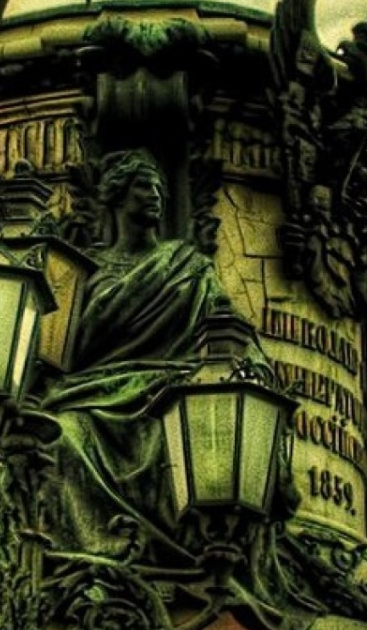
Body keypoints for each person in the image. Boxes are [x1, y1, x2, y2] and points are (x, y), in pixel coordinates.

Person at [41, 151, 256, 557]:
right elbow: (65, 349)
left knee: (179, 440)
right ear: (117, 197)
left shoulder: (188, 265)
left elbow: (230, 331)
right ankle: (97, 549)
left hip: (168, 394)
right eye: (143, 186)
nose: (155, 194)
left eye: (158, 186)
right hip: (92, 394)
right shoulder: (88, 271)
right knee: (64, 434)